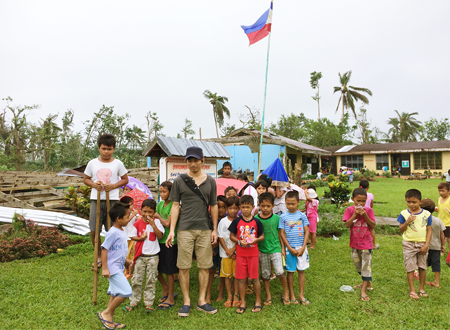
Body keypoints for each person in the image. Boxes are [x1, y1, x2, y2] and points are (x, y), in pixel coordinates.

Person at [166, 146, 219, 317]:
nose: (193, 163)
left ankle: (202, 300)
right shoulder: (179, 181)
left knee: (205, 265)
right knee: (183, 266)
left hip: (205, 228)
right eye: (190, 160)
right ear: (186, 161)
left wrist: (215, 229)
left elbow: (214, 206)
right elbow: (175, 206)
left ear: (203, 161)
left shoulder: (210, 181)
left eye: (196, 160)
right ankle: (186, 301)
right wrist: (172, 230)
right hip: (184, 229)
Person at [84, 133, 129, 270]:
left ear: (113, 149)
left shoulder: (118, 163)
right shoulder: (92, 163)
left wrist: (113, 186)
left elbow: (125, 179)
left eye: (109, 149)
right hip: (95, 200)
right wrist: (93, 185)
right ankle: (98, 257)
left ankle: (111, 258)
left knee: (112, 230)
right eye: (104, 149)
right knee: (94, 230)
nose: (106, 152)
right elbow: (86, 179)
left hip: (113, 200)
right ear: (99, 148)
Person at [124, 199, 164, 313]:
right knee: (137, 279)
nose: (147, 214)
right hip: (140, 256)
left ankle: (149, 302)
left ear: (154, 212)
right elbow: (132, 236)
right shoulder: (137, 223)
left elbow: (160, 236)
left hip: (153, 256)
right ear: (141, 210)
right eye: (145, 211)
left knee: (151, 280)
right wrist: (140, 238)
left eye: (150, 212)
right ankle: (134, 301)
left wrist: (153, 224)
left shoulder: (156, 222)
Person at [97, 202, 132, 330]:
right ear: (118, 218)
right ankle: (105, 313)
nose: (129, 219)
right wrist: (105, 268)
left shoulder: (121, 230)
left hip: (118, 267)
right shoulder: (112, 232)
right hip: (112, 269)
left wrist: (126, 260)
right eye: (127, 216)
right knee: (126, 292)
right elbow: (104, 249)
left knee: (114, 294)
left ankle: (109, 321)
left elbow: (117, 250)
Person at [228, 195, 265, 314]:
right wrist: (239, 241)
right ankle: (242, 301)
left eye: (248, 207)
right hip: (241, 254)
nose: (245, 209)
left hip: (253, 254)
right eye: (243, 207)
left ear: (253, 207)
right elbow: (232, 236)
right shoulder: (237, 221)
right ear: (239, 208)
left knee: (255, 278)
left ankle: (258, 301)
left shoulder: (257, 221)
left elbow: (262, 236)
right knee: (241, 279)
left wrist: (255, 240)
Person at [397, 189, 432, 300]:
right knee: (410, 267)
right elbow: (401, 230)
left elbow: (429, 230)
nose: (411, 204)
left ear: (420, 202)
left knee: (422, 267)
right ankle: (412, 290)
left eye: (414, 202)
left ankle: (421, 289)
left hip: (422, 243)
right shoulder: (404, 213)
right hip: (409, 243)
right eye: (408, 202)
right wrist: (407, 221)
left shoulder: (427, 214)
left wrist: (426, 245)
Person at [255, 192, 289, 306]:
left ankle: (286, 292)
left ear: (273, 206)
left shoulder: (277, 218)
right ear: (259, 205)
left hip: (275, 249)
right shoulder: (255, 219)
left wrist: (282, 249)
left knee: (279, 271)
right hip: (262, 250)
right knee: (265, 274)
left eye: (268, 206)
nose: (265, 208)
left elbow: (280, 235)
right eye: (263, 205)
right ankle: (268, 295)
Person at [343, 188, 376, 301]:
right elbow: (348, 224)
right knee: (358, 265)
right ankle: (367, 283)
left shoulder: (369, 210)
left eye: (363, 201)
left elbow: (373, 225)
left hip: (367, 243)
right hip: (354, 243)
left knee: (366, 266)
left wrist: (365, 215)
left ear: (366, 200)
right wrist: (355, 215)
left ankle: (364, 289)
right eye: (358, 201)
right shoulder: (349, 210)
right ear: (352, 199)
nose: (360, 204)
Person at [279, 191, 310, 305]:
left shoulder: (302, 216)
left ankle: (301, 295)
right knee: (290, 271)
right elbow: (282, 234)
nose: (290, 206)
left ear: (298, 202)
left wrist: (303, 247)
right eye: (288, 204)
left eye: (293, 203)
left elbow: (307, 231)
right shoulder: (282, 217)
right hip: (289, 249)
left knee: (301, 271)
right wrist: (289, 248)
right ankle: (291, 294)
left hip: (301, 248)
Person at [155, 181, 178, 310]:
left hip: (170, 241)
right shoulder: (160, 204)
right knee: (157, 268)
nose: (162, 194)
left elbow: (168, 224)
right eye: (161, 191)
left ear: (171, 192)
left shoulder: (174, 206)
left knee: (169, 270)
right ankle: (165, 288)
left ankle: (171, 297)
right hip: (158, 240)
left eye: (165, 191)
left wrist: (158, 216)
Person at [217, 196, 240, 308]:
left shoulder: (240, 220)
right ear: (226, 209)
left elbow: (241, 237)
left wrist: (233, 249)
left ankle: (236, 296)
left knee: (236, 276)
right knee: (227, 276)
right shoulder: (223, 221)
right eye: (230, 208)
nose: (233, 211)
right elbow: (220, 237)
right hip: (225, 254)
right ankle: (229, 296)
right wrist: (227, 250)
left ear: (238, 209)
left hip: (237, 253)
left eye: (235, 208)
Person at [206, 195, 227, 304]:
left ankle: (221, 292)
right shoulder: (209, 221)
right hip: (212, 250)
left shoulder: (227, 220)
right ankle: (208, 294)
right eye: (218, 207)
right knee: (211, 271)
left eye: (223, 207)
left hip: (224, 251)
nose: (221, 210)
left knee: (223, 272)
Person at [420, 199, 445, 288]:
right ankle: (436, 282)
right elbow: (442, 234)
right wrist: (443, 245)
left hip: (424, 245)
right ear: (434, 209)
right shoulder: (438, 220)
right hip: (436, 246)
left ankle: (419, 275)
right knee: (436, 264)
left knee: (422, 262)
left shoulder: (421, 220)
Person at [119, 195, 139, 279]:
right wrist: (133, 215)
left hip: (132, 238)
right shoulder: (122, 214)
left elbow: (138, 218)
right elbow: (125, 222)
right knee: (124, 256)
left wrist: (138, 217)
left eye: (133, 204)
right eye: (131, 204)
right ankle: (127, 269)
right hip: (124, 237)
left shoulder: (134, 213)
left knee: (131, 257)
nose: (133, 206)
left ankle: (130, 273)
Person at [359, 180, 379, 249]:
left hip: (359, 213)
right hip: (368, 213)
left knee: (360, 228)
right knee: (371, 229)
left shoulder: (357, 195)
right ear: (368, 187)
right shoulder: (370, 195)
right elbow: (371, 205)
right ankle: (373, 245)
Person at [437, 182, 450, 251]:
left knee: (449, 239)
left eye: (443, 191)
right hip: (440, 223)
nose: (441, 192)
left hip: (448, 223)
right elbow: (440, 208)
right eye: (439, 190)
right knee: (440, 238)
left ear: (449, 191)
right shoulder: (439, 199)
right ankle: (442, 250)